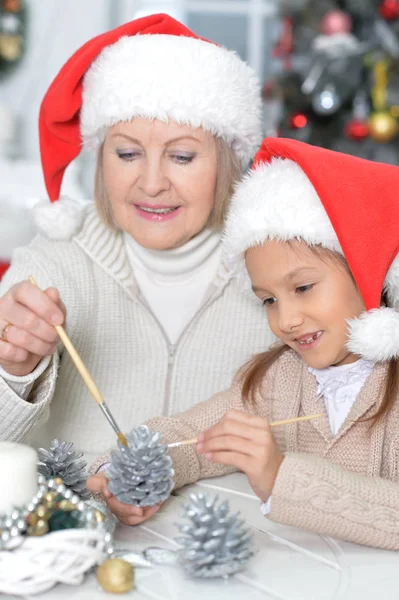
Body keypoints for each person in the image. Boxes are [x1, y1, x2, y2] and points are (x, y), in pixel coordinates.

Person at [90, 137, 399, 549]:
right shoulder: (278, 380)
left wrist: (280, 476)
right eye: (268, 300)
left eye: (303, 287)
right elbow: (191, 435)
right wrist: (136, 468)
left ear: (369, 271)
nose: (286, 320)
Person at [0, 14, 275, 471]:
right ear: (101, 158)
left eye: (182, 156)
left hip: (235, 533)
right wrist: (13, 371)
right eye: (127, 153)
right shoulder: (52, 264)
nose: (151, 183)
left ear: (227, 161)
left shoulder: (278, 272)